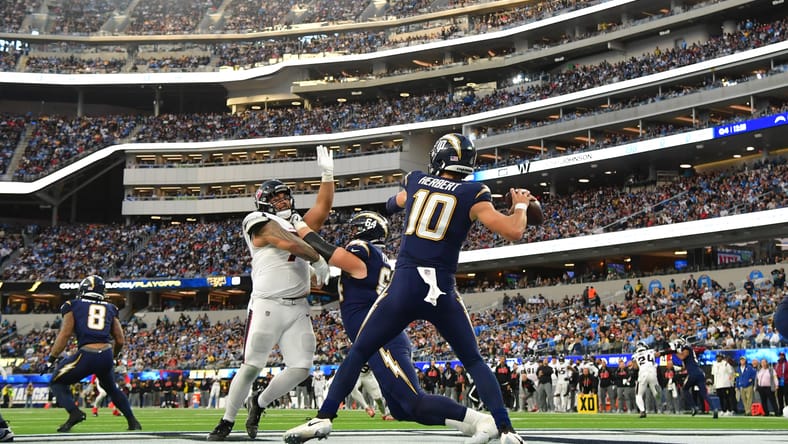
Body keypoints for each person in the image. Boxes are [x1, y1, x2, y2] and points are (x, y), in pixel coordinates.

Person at [284, 133, 529, 443]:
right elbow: (514, 231)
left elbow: (392, 203)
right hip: (442, 289)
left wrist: (399, 202)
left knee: (359, 351)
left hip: (406, 285)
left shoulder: (416, 180)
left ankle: (324, 418)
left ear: (438, 158)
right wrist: (521, 206)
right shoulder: (475, 193)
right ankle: (506, 429)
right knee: (474, 360)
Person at [286, 210, 500, 442]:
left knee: (414, 401)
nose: (351, 233)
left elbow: (330, 253)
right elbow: (338, 281)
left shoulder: (362, 249)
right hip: (382, 339)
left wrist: (301, 227)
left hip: (383, 340)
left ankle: (481, 420)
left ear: (366, 229)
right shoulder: (376, 258)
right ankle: (463, 423)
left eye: (355, 228)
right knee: (401, 409)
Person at [208, 145, 335, 441]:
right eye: (275, 198)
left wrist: (328, 176)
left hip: (298, 306)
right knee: (251, 366)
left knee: (301, 368)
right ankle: (226, 421)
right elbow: (285, 241)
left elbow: (322, 210)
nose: (281, 201)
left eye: (284, 196)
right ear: (263, 202)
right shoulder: (256, 221)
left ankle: (259, 402)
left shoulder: (297, 223)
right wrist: (317, 257)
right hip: (268, 304)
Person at [44, 275, 142, 432]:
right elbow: (120, 340)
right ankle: (133, 421)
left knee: (57, 382)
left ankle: (74, 413)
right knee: (111, 388)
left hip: (87, 354)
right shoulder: (111, 308)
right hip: (106, 355)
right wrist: (114, 357)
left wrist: (51, 358)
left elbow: (65, 334)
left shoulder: (72, 305)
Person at [669, 337, 717, 418]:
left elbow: (682, 357)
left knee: (685, 389)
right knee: (704, 393)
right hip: (699, 372)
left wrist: (674, 352)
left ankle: (694, 407)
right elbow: (686, 365)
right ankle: (714, 409)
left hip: (693, 373)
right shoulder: (690, 351)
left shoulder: (686, 349)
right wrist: (680, 369)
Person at [632, 341, 661, 418]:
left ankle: (642, 411)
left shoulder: (635, 355)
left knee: (638, 395)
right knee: (656, 393)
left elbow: (635, 367)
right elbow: (658, 354)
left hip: (643, 374)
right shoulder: (651, 351)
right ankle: (661, 408)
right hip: (652, 373)